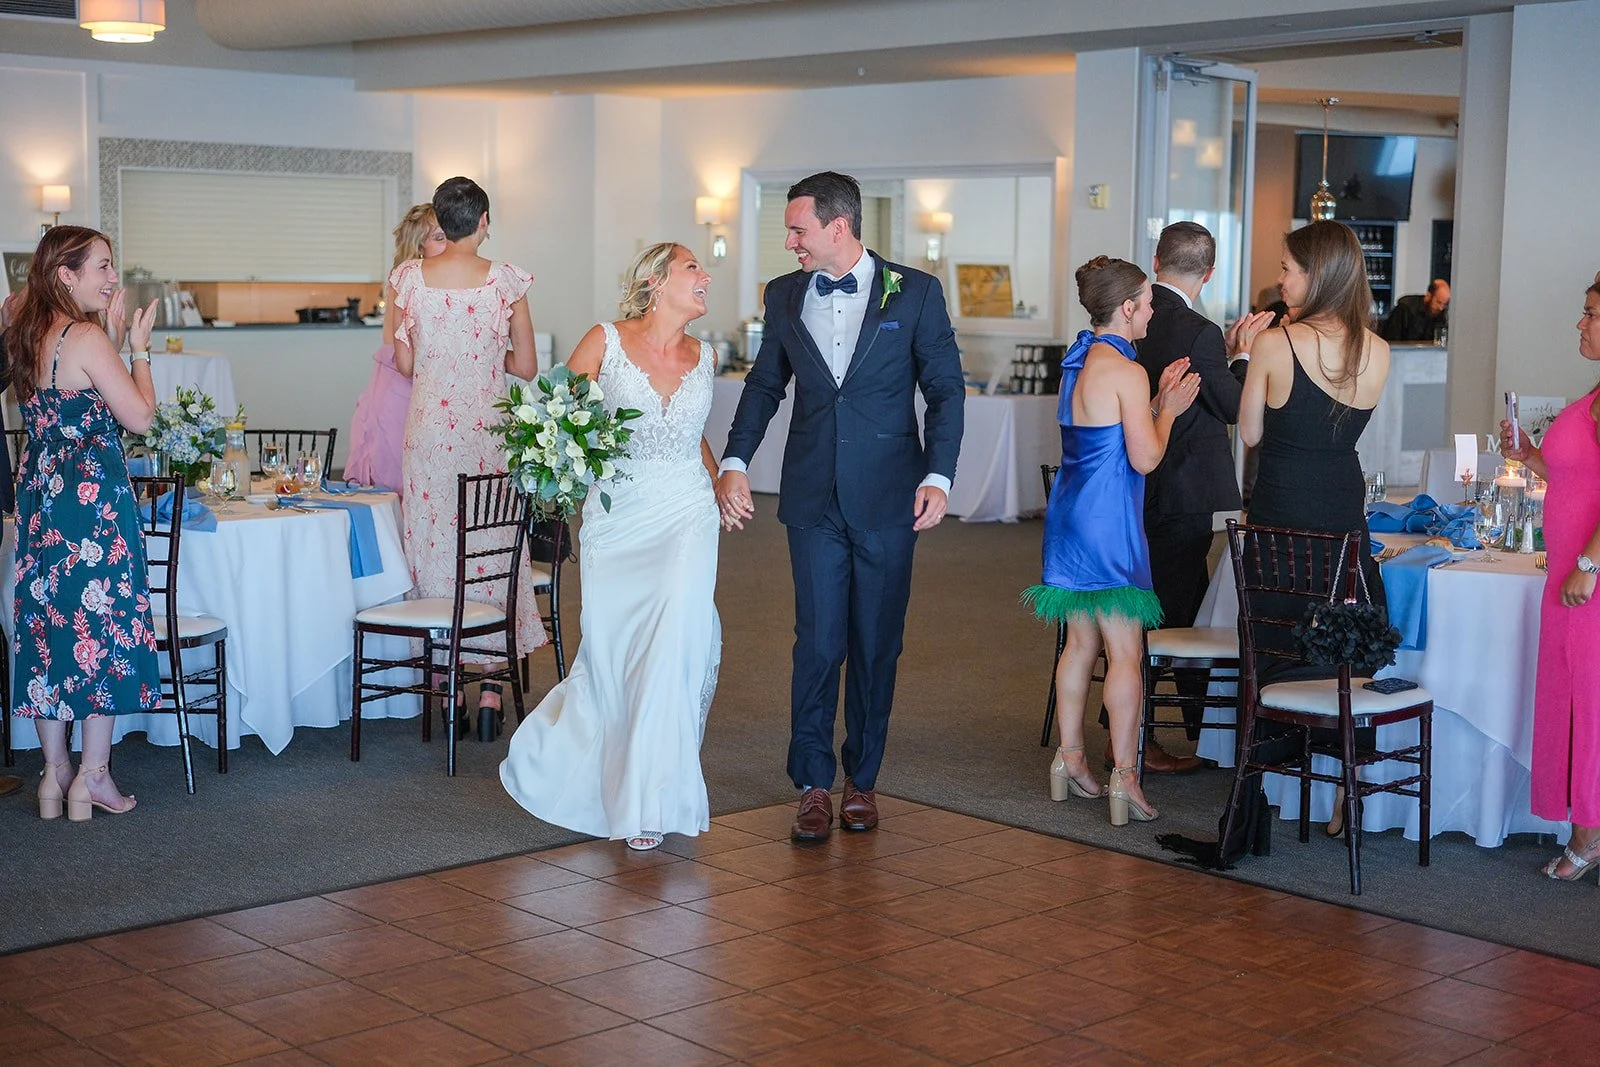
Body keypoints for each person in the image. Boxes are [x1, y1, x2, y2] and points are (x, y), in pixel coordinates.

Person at [715, 171, 964, 843]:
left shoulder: (915, 293)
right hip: (812, 496)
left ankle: (863, 778)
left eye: (798, 230)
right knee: (819, 641)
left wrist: (940, 473)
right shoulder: (785, 293)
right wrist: (734, 460)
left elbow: (945, 389)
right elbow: (767, 383)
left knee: (876, 643)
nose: (790, 242)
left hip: (890, 495)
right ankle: (812, 783)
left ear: (839, 227)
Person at [501, 243, 721, 851]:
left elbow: (692, 436)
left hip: (686, 514)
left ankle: (653, 798)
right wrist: (559, 468)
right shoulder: (605, 341)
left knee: (673, 645)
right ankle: (603, 769)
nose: (707, 276)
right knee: (617, 651)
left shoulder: (706, 356)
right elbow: (553, 419)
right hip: (617, 517)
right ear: (655, 282)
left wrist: (721, 480)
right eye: (692, 268)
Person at [1026, 257, 1199, 826]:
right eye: (1147, 303)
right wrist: (1169, 411)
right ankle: (1126, 777)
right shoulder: (1128, 370)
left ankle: (1069, 759)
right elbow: (1144, 456)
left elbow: (1105, 433)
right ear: (1127, 308)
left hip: (1069, 516)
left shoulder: (1079, 361)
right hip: (1107, 521)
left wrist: (1153, 405)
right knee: (1127, 652)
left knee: (1080, 646)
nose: (1151, 311)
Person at [1238, 219, 1392, 841]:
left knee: (1277, 642)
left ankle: (1266, 769)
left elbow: (1250, 434)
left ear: (1318, 274)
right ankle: (1343, 791)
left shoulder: (1278, 343)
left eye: (1288, 269)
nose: (1279, 279)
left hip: (1283, 512)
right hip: (1341, 507)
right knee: (1342, 645)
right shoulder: (1378, 350)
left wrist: (1244, 358)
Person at [5, 226, 162, 819]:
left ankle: (54, 775)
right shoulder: (87, 336)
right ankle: (93, 777)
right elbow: (140, 417)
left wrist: (112, 341)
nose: (113, 277)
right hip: (90, 503)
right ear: (66, 275)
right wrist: (138, 349)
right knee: (102, 630)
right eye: (102, 266)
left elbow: (66, 403)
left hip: (43, 499)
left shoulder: (25, 333)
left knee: (49, 631)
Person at [393, 177, 544, 733]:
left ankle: (446, 685)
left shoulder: (408, 279)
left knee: (434, 547)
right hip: (487, 432)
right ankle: (489, 693)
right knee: (491, 546)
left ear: (440, 220)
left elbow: (406, 365)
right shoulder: (506, 280)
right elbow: (525, 367)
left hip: (430, 434)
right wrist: (486, 353)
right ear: (483, 221)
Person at [1130, 222, 1270, 774]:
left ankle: (1191, 728)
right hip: (1178, 488)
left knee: (1172, 605)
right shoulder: (1197, 330)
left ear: (1157, 258)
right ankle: (1160, 734)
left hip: (1134, 485)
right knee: (1177, 612)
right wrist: (1241, 356)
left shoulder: (1130, 314)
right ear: (1209, 273)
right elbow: (1234, 407)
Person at [1500, 271, 1600, 881]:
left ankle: (1589, 837)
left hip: (1587, 577)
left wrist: (1590, 564)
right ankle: (1586, 828)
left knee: (1590, 704)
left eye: (1591, 313)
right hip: (1568, 571)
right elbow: (1578, 478)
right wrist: (1530, 456)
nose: (1581, 324)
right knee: (1574, 697)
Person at [343, 204, 447, 490]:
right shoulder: (411, 277)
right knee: (401, 478)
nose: (448, 244)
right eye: (439, 238)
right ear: (419, 245)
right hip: (400, 386)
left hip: (398, 382)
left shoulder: (415, 276)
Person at [1382, 278, 1449, 342]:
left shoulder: (1441, 315)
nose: (1441, 308)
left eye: (1444, 304)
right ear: (1428, 296)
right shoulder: (1405, 309)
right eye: (1438, 302)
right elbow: (1392, 340)